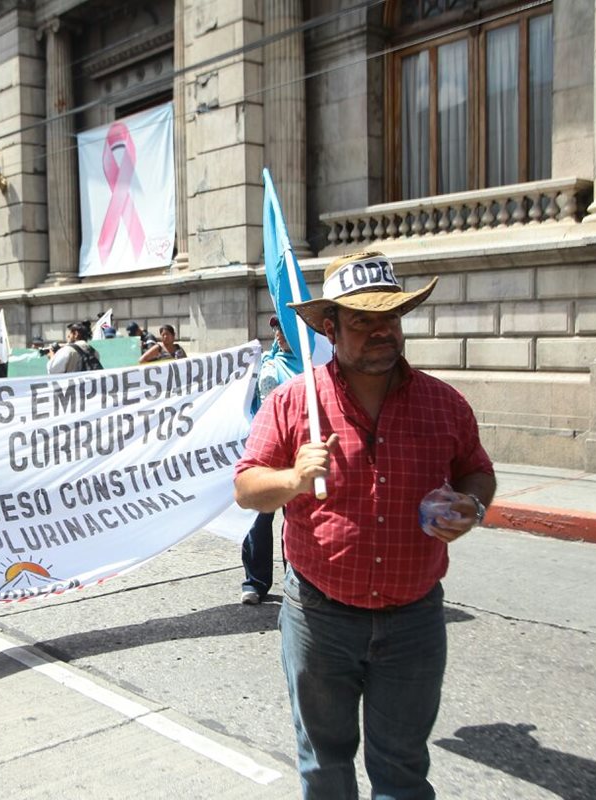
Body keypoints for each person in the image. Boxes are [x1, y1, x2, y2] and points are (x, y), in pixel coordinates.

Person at [234, 251, 496, 799]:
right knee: (324, 766)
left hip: (414, 621)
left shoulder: (444, 405)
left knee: (401, 768)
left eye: (391, 318)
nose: (382, 332)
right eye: (363, 321)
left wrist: (471, 508)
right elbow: (246, 488)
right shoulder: (292, 403)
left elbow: (477, 471)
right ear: (330, 328)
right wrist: (295, 480)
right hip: (319, 619)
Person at [239, 315, 300, 605]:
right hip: (264, 450)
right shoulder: (263, 362)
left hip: (298, 454)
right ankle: (256, 581)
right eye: (275, 328)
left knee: (297, 519)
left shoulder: (313, 365)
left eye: (284, 328)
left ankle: (297, 578)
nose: (279, 334)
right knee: (257, 518)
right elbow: (246, 400)